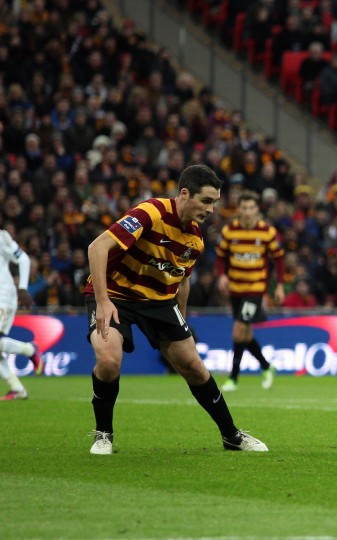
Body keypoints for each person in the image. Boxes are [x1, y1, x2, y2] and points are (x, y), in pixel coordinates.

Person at [84, 165, 267, 455]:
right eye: (206, 201)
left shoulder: (195, 240)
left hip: (159, 302)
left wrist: (182, 318)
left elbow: (182, 280)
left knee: (193, 366)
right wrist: (103, 301)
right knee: (108, 360)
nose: (211, 209)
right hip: (116, 295)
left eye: (214, 203)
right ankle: (103, 434)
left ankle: (231, 436)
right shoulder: (150, 212)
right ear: (184, 194)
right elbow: (97, 248)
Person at [215, 192, 286, 392]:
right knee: (245, 334)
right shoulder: (229, 231)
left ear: (257, 210)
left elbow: (279, 259)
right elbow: (220, 256)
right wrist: (221, 275)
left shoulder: (267, 232)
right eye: (244, 208)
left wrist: (280, 285)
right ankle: (266, 366)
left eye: (251, 208)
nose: (247, 212)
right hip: (235, 289)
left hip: (255, 289)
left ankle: (233, 378)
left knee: (239, 330)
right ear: (239, 209)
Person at [0, 230, 43, 400]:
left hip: (3, 297)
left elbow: (23, 259)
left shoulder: (1, 237)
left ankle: (30, 349)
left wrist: (23, 287)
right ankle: (17, 389)